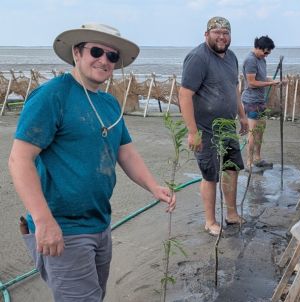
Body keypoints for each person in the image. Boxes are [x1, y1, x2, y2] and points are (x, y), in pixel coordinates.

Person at [8, 23, 175, 301]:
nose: (104, 60)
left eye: (111, 56)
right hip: (63, 227)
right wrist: (44, 220)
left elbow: (126, 153)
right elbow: (19, 159)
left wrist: (153, 187)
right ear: (77, 52)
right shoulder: (53, 95)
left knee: (95, 295)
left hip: (99, 223)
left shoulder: (109, 104)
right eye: (96, 51)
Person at [179, 16, 248, 236]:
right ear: (206, 34)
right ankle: (210, 221)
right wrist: (192, 132)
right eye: (216, 32)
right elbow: (185, 94)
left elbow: (233, 88)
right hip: (206, 130)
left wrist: (243, 115)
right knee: (210, 175)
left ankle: (232, 214)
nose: (221, 36)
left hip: (227, 126)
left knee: (231, 169)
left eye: (225, 32)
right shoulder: (198, 57)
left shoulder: (232, 57)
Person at [241, 36, 280, 170]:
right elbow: (251, 83)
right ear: (258, 47)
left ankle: (257, 158)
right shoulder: (250, 60)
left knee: (261, 130)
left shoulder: (261, 60)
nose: (267, 55)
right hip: (251, 101)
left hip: (260, 100)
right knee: (252, 133)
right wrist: (270, 83)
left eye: (269, 53)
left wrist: (277, 81)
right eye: (265, 52)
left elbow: (262, 78)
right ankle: (249, 163)